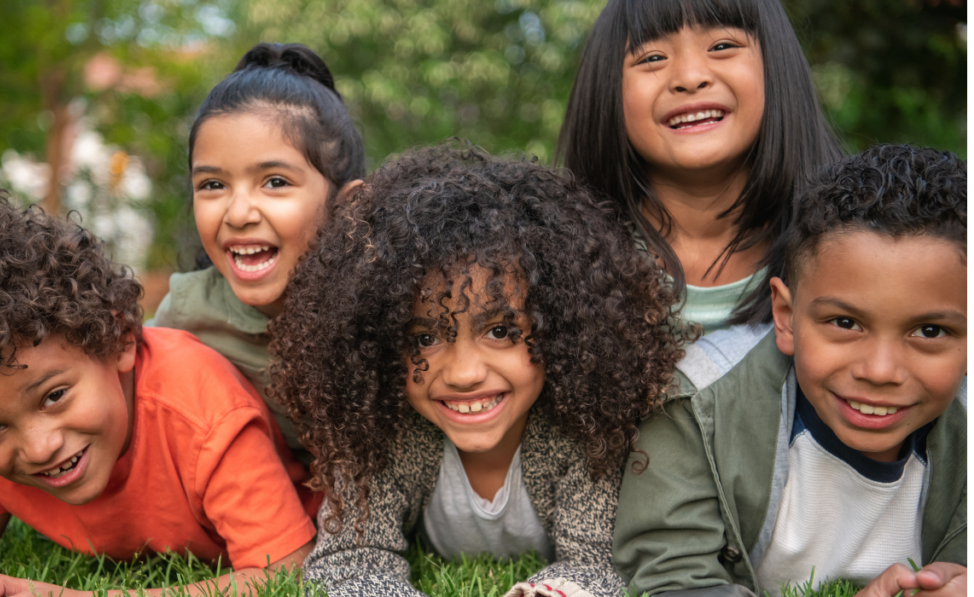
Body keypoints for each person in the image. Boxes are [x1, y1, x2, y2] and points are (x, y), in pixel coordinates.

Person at [268, 145, 691, 597]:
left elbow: (600, 563)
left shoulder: (582, 434)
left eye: (502, 330)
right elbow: (349, 559)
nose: (464, 373)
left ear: (563, 327)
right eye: (424, 339)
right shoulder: (386, 436)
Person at [612, 145, 966, 597]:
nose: (881, 371)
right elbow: (673, 578)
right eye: (845, 323)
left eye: (930, 331)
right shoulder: (697, 406)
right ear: (785, 316)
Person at [0, 193, 316, 597]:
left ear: (119, 340)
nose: (39, 448)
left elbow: (286, 571)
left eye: (54, 397)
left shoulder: (201, 410)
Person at [151, 42, 366, 510]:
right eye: (213, 185)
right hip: (256, 508)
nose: (238, 211)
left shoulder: (379, 311)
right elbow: (119, 395)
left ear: (346, 206)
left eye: (274, 182)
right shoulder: (187, 315)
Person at [559, 0, 842, 335]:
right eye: (652, 58)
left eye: (722, 46)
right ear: (606, 91)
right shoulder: (559, 267)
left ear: (776, 65)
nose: (690, 78)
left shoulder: (857, 244)